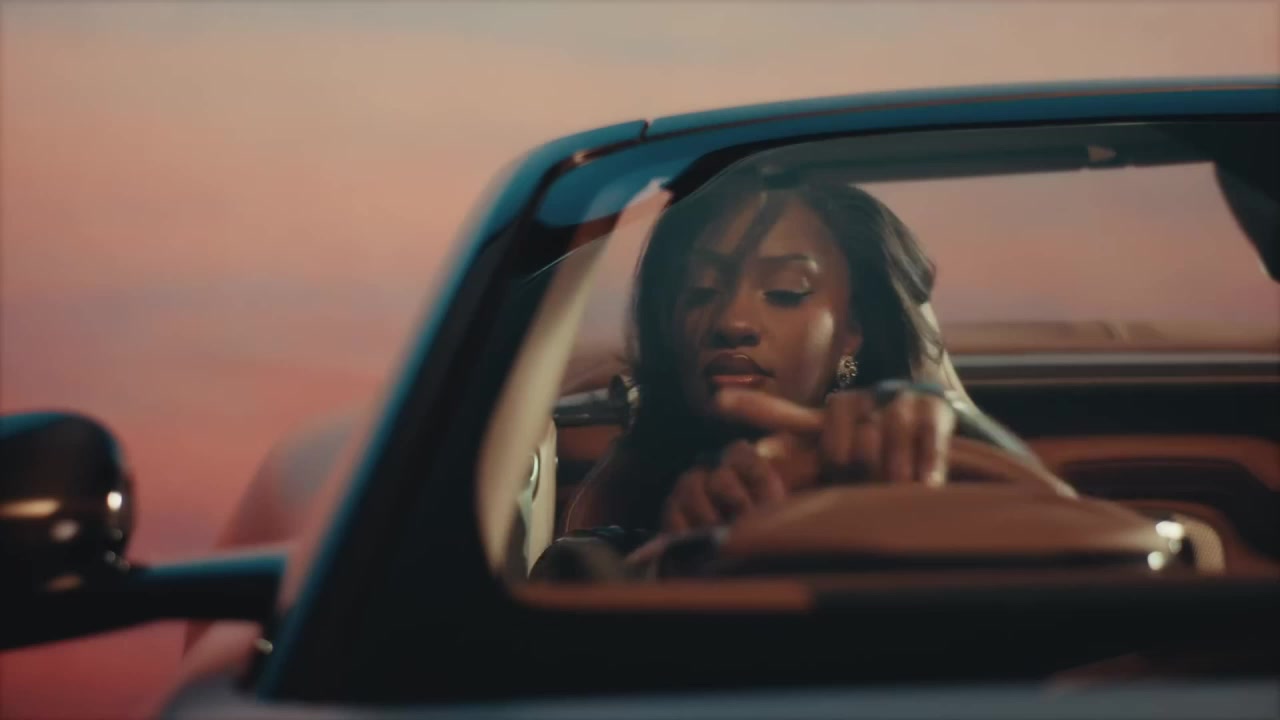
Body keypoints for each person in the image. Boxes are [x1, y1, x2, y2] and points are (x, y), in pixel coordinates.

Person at [554, 160, 969, 560]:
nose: (731, 321)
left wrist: (940, 424)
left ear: (852, 330)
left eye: (785, 292)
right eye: (702, 290)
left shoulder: (908, 468)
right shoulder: (625, 490)